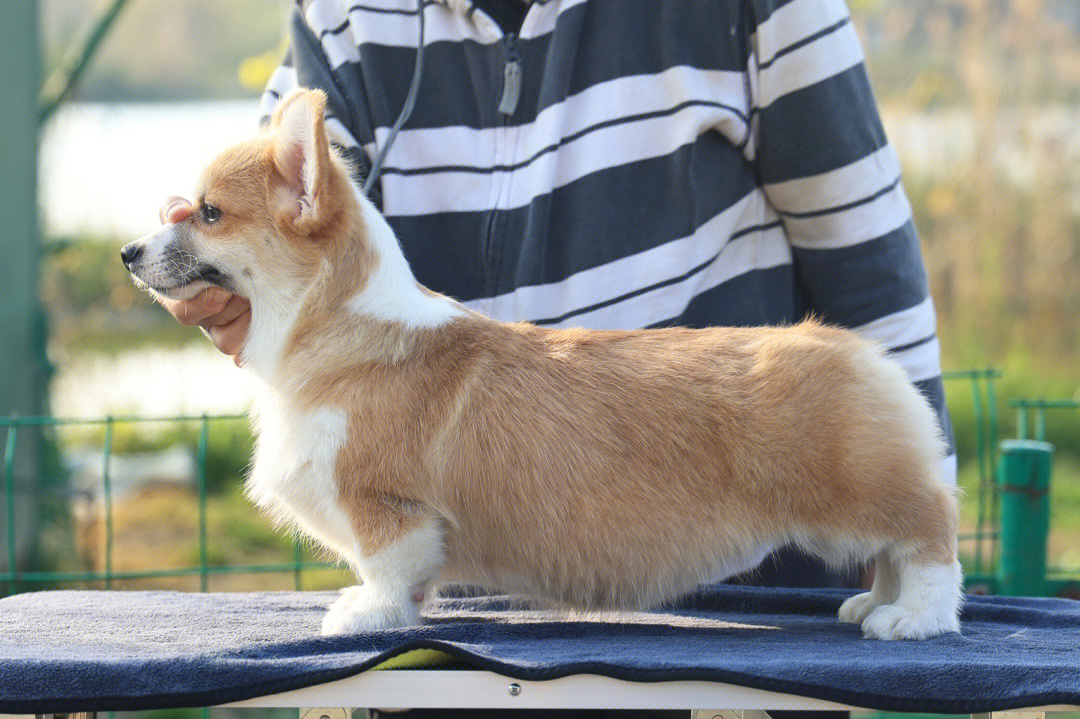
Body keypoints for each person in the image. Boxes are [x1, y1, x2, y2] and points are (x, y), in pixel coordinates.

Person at [158, 0, 955, 623]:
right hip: (472, 588)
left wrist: (920, 524)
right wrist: (219, 269)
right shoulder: (347, 14)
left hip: (747, 583)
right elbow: (289, 197)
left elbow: (868, 258)